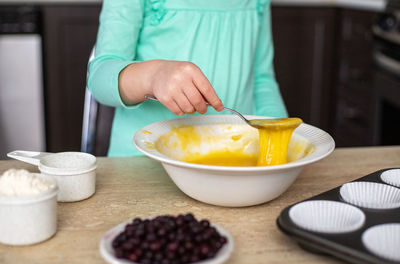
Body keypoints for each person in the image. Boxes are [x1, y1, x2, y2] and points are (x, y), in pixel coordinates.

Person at [87, 0, 288, 157]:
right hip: (143, 163)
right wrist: (153, 76)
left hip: (237, 160)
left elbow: (262, 79)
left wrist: (283, 138)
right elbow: (99, 77)